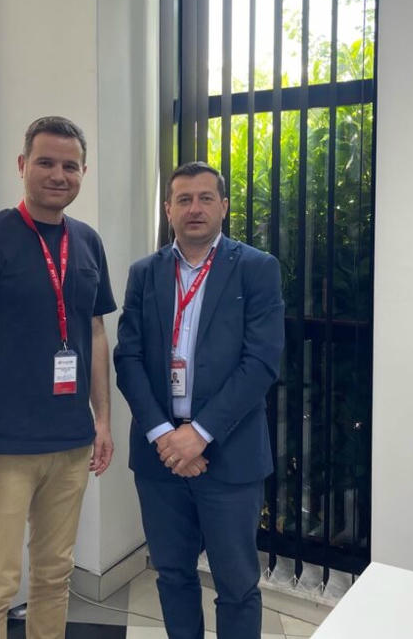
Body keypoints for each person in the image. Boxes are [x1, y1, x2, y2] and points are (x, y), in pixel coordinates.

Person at [0, 116, 116, 639]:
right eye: (45, 162)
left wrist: (102, 421)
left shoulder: (87, 242)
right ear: (22, 165)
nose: (58, 175)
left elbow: (95, 335)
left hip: (70, 443)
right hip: (5, 449)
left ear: (83, 172)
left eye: (70, 166)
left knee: (55, 573)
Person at [114, 161, 285, 639]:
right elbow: (128, 358)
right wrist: (165, 436)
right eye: (184, 199)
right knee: (172, 575)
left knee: (237, 586)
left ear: (223, 206)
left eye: (206, 198)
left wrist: (200, 434)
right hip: (160, 457)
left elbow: (261, 363)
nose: (195, 208)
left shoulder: (256, 269)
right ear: (168, 209)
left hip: (230, 455)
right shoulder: (145, 273)